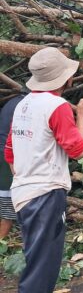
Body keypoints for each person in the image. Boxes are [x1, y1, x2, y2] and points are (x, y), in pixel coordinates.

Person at [4, 47, 83, 293]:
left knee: (37, 261)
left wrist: (26, 179)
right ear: (67, 78)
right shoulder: (57, 106)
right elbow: (79, 150)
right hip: (45, 195)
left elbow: (10, 152)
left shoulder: (22, 105)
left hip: (22, 193)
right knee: (42, 270)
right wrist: (82, 116)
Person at [0, 92, 26, 239]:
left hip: (4, 151)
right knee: (7, 205)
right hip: (7, 155)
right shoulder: (25, 105)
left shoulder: (13, 102)